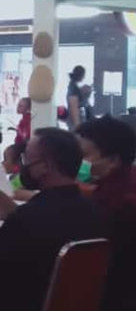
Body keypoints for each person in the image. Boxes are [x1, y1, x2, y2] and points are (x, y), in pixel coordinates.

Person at [0, 128, 105, 311]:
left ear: (45, 166)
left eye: (25, 159)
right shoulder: (93, 212)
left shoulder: (30, 218)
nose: (23, 166)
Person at [75, 117, 136, 311]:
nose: (78, 161)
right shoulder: (117, 184)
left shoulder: (120, 201)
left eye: (84, 155)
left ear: (114, 160)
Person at [66, 66, 86, 130]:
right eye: (83, 75)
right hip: (75, 119)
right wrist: (77, 124)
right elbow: (73, 105)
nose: (84, 77)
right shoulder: (73, 87)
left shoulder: (73, 86)